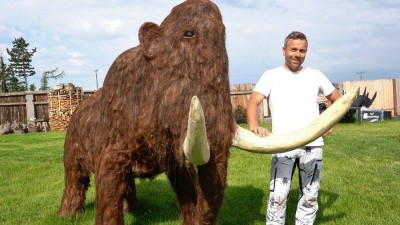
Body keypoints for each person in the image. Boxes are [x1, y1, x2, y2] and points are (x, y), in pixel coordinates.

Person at [246, 31, 341, 225]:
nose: (297, 54)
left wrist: (329, 122)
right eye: (293, 49)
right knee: (278, 197)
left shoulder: (316, 75)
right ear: (283, 51)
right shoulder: (271, 75)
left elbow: (337, 100)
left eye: (302, 50)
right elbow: (253, 102)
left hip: (313, 145)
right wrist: (254, 126)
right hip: (282, 145)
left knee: (310, 196)